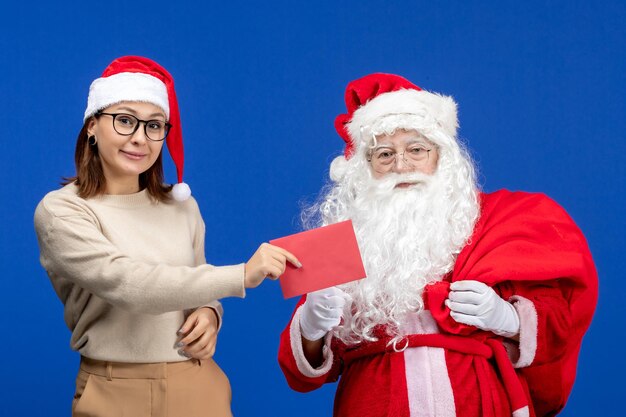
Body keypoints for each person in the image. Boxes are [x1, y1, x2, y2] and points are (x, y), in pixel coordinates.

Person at [278, 73, 597, 417]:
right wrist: (310, 326)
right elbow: (301, 373)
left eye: (416, 149)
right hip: (375, 403)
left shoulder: (498, 220)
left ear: (441, 156)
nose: (401, 165)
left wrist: (509, 319)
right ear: (365, 168)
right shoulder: (336, 240)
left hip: (479, 402)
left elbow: (563, 317)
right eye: (384, 154)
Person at [34, 56, 300, 417]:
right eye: (125, 120)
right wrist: (240, 275)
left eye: (155, 126)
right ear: (92, 125)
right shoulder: (63, 211)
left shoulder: (182, 206)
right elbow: (128, 284)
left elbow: (195, 281)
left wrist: (209, 313)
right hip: (114, 391)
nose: (140, 138)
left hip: (196, 383)